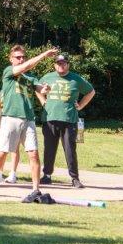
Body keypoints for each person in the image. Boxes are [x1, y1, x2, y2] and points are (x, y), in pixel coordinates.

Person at [0, 46, 58, 202]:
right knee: (3, 152)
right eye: (18, 57)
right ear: (11, 59)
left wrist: (46, 88)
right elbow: (26, 66)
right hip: (10, 118)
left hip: (28, 119)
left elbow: (40, 89)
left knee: (34, 154)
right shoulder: (8, 72)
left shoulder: (30, 77)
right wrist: (44, 54)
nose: (21, 59)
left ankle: (36, 189)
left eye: (23, 57)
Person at [36, 54, 96, 189]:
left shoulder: (76, 79)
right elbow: (37, 89)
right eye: (58, 63)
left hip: (69, 119)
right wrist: (43, 101)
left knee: (70, 149)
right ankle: (47, 175)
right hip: (50, 118)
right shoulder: (47, 77)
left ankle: (74, 178)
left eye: (63, 63)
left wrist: (81, 105)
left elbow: (91, 92)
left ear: (68, 64)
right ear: (54, 65)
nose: (61, 65)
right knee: (49, 148)